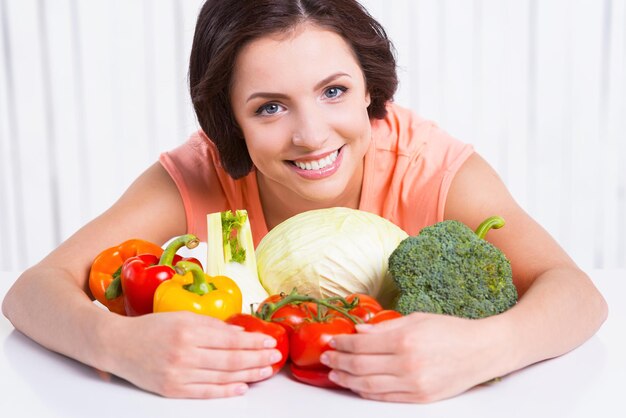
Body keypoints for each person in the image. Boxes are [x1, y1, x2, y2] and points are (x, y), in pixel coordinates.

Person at [2, 0, 607, 403]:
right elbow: (31, 290)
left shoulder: (428, 168)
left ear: (369, 86)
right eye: (269, 106)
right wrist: (114, 344)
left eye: (334, 91)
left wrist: (486, 349)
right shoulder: (200, 172)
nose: (312, 135)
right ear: (228, 124)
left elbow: (578, 295)